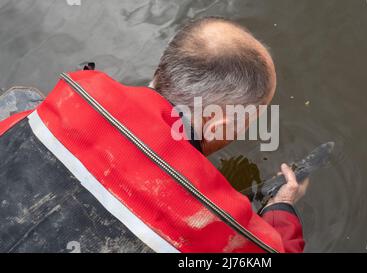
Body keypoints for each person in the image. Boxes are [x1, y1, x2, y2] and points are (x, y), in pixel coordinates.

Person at [0, 17, 308, 253]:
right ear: (217, 125)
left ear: (159, 71)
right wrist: (280, 209)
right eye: (247, 120)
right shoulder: (219, 217)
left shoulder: (75, 94)